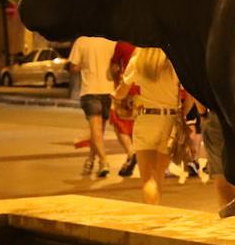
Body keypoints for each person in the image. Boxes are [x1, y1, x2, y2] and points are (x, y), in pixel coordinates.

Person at [112, 47, 184, 205]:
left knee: (148, 179)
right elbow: (189, 92)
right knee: (159, 177)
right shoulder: (175, 60)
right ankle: (156, 211)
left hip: (146, 119)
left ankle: (152, 214)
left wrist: (115, 96)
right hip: (169, 121)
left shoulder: (138, 60)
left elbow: (121, 92)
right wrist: (184, 113)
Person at [67, 34, 117, 178]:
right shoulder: (110, 40)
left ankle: (104, 162)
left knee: (96, 131)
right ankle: (90, 160)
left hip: (90, 90)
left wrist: (82, 64)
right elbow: (115, 65)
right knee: (99, 131)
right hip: (108, 90)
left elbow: (74, 67)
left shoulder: (81, 41)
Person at [109, 40, 138, 177]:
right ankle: (133, 155)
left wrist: (116, 83)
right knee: (137, 124)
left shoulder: (122, 43)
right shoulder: (149, 42)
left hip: (127, 89)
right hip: (145, 91)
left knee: (118, 121)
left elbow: (114, 68)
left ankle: (131, 152)